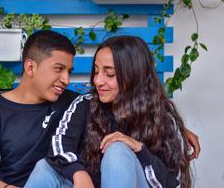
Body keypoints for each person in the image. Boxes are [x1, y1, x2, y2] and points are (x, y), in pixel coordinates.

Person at [25, 36, 195, 188]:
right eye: (97, 71)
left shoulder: (163, 119)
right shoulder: (85, 105)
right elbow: (59, 147)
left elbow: (176, 184)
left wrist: (139, 149)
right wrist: (78, 173)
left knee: (117, 151)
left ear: (134, 76)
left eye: (110, 74)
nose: (98, 81)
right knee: (45, 167)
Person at [0, 30, 79, 188]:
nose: (66, 80)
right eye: (58, 69)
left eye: (69, 72)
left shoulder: (72, 103)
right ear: (30, 67)